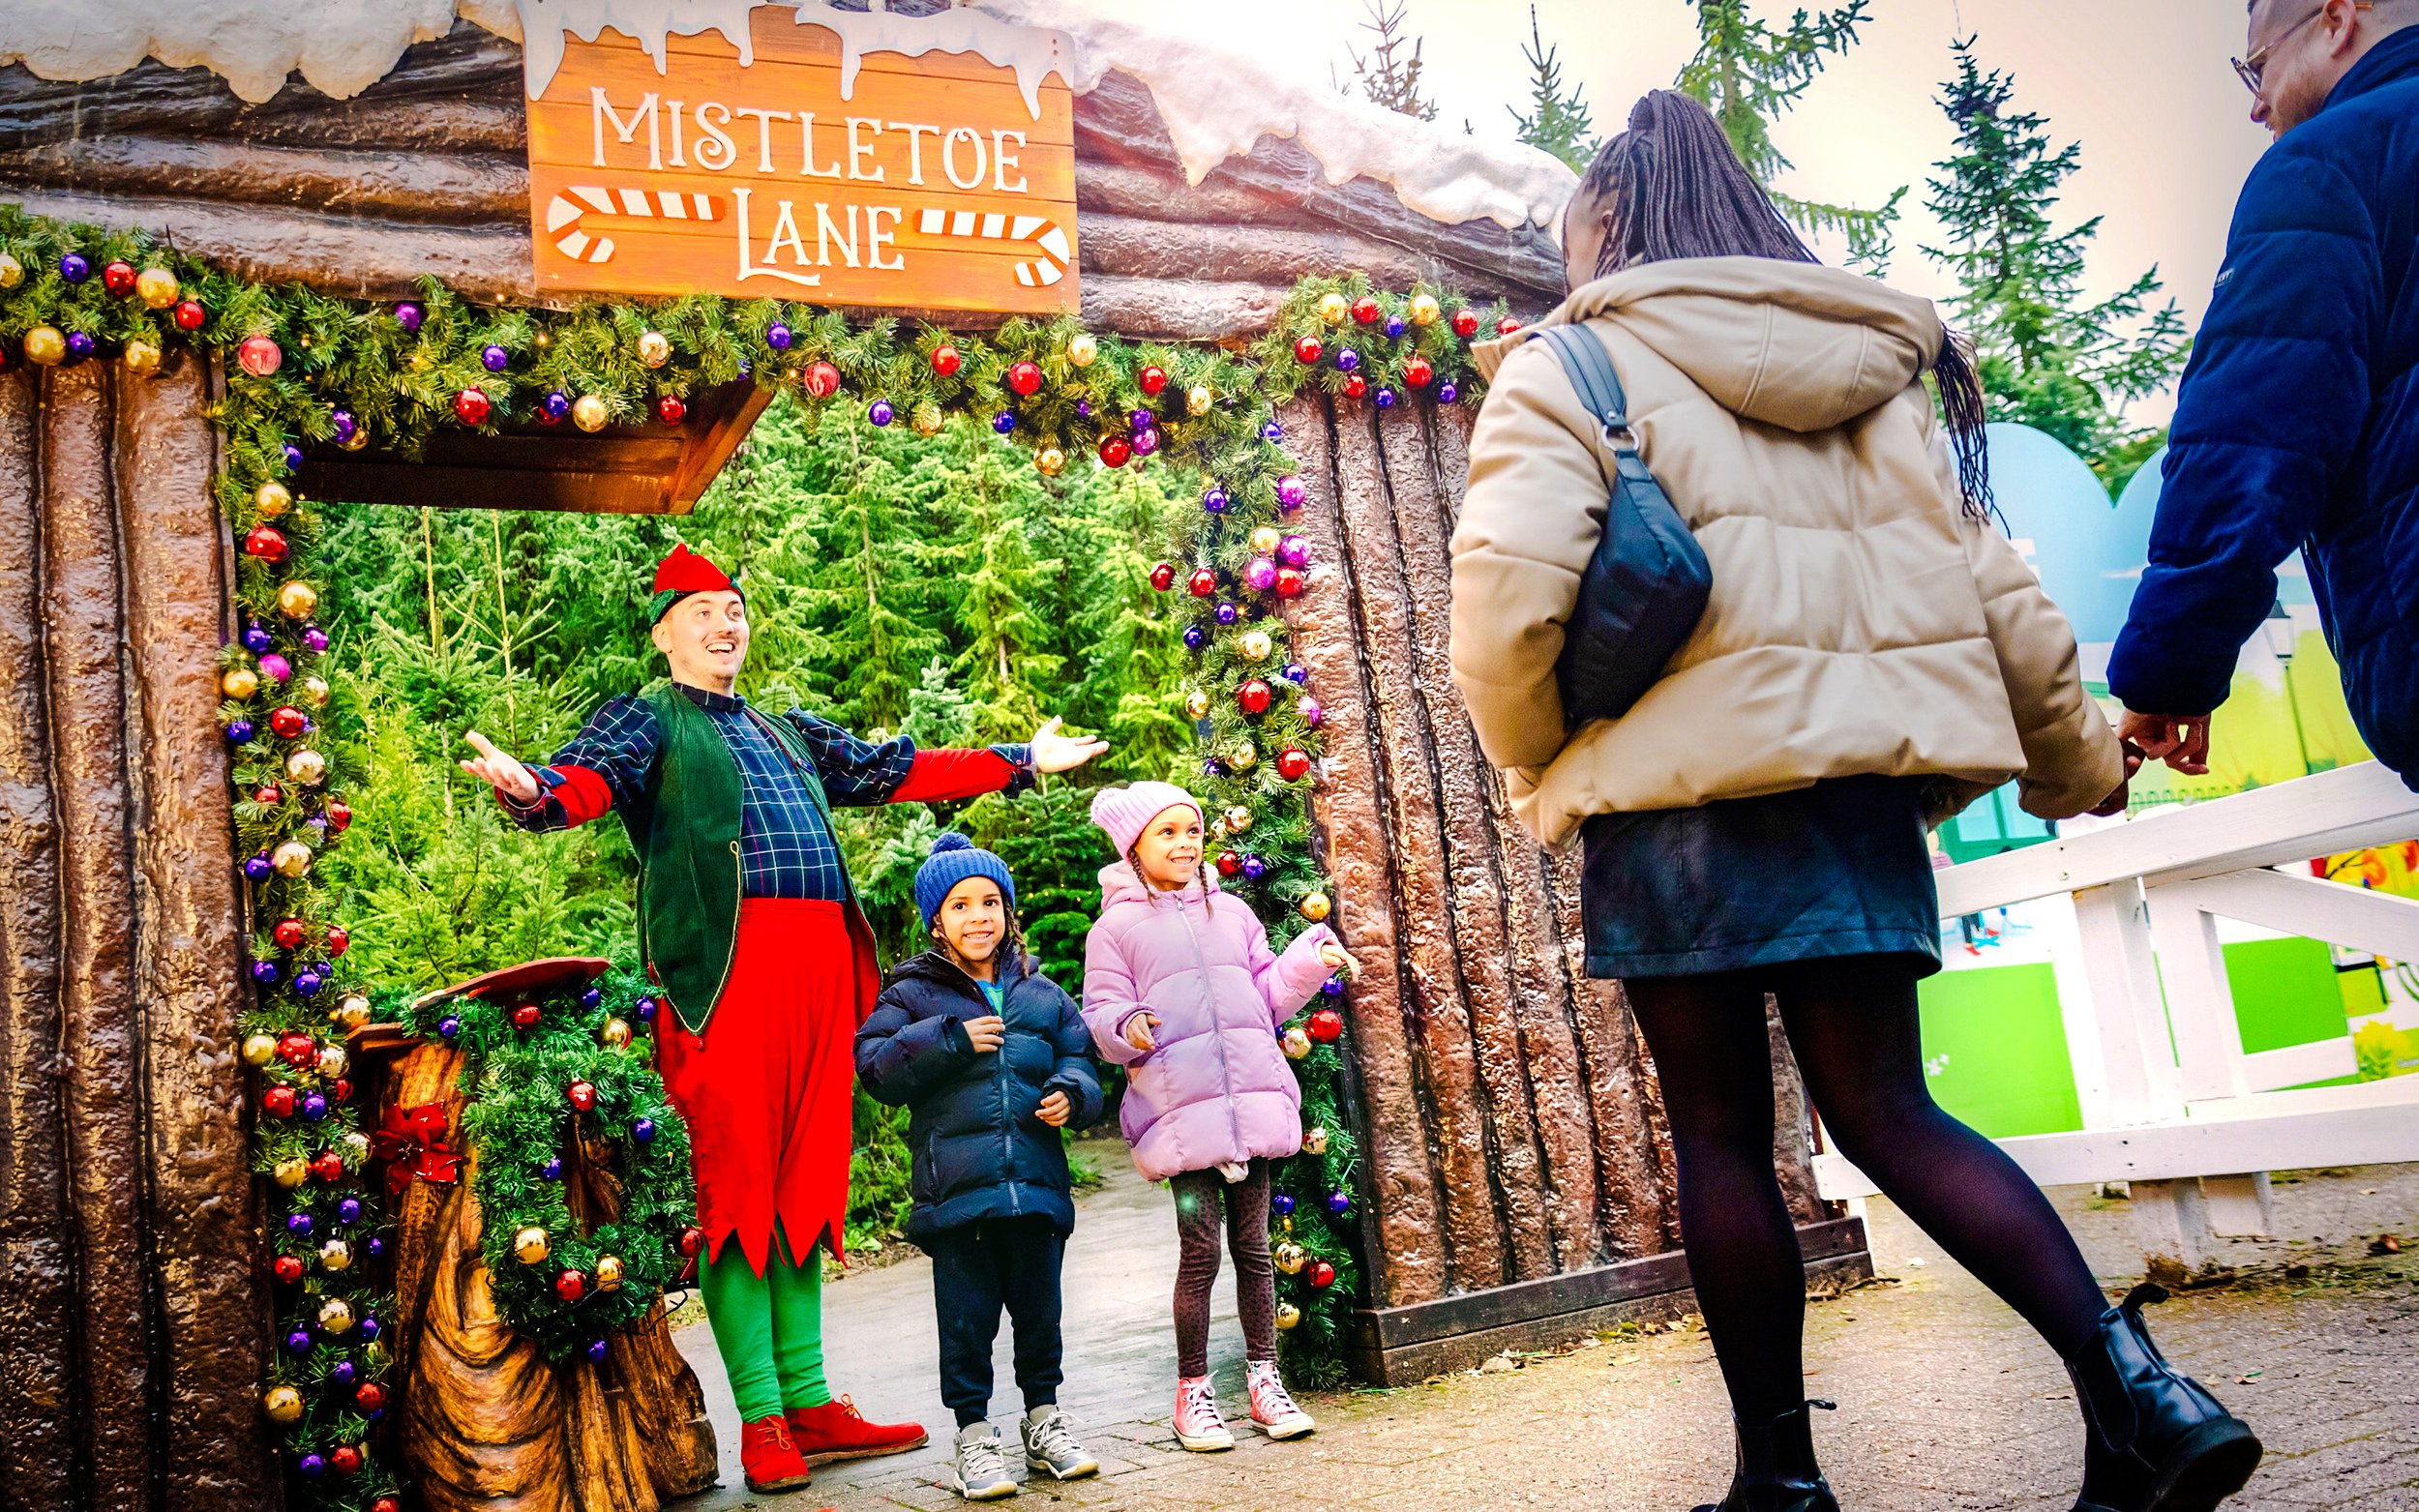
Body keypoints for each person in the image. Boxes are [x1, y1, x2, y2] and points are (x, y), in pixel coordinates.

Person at [1447, 91, 2259, 1512]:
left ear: (1611, 224)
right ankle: (2141, 1395)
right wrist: (2076, 764)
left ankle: (1781, 1482)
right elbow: (1998, 595)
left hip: (1675, 812)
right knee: (1892, 1110)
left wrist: (1538, 760)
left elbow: (1504, 613)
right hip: (1857, 807)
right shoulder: (1877, 374)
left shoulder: (1571, 364)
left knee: (1720, 1136)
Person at [459, 544, 1107, 1496]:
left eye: (734, 610)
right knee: (736, 1196)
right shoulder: (649, 718)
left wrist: (1017, 762)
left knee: (804, 1186)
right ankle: (763, 1417)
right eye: (703, 612)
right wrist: (536, 792)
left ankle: (808, 1402)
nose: (725, 625)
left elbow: (892, 769)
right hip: (725, 984)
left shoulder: (788, 732)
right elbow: (584, 779)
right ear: (664, 632)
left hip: (821, 983)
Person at [2110, 0, 2419, 786]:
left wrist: (2169, 670)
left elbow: (2249, 440)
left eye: (2257, 67)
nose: (2255, 103)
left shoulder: (2326, 166)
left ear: (2338, 18)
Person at [1078, 783, 1353, 1452]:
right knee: (1199, 1252)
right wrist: (1126, 1026)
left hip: (1250, 1107)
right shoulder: (1115, 930)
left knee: (1255, 1250)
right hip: (1182, 1115)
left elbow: (1266, 996)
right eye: (1167, 832)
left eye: (1193, 830)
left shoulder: (1232, 913)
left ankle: (1266, 1382)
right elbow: (1100, 1013)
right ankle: (1193, 1393)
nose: (1185, 843)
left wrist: (1307, 961)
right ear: (1134, 846)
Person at [855, 833, 1107, 1501]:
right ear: (936, 921)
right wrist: (947, 1038)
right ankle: (973, 1434)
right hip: (958, 1198)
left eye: (990, 902)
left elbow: (1081, 1059)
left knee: (1040, 1315)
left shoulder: (1041, 993)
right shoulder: (911, 994)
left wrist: (1073, 1092)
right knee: (966, 1324)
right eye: (960, 905)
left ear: (1008, 910)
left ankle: (1044, 1419)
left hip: (1035, 1189)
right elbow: (875, 1067)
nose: (978, 917)